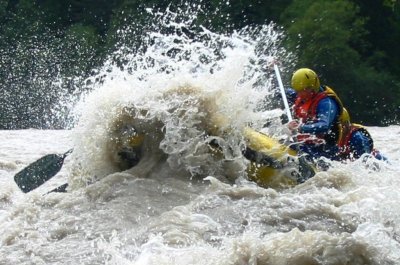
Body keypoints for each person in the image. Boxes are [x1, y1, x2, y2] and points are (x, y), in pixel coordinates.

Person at [286, 68, 385, 162]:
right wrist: (271, 70)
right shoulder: (301, 96)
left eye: (302, 91)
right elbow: (281, 91)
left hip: (328, 150)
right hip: (320, 148)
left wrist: (300, 127)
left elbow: (324, 126)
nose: (299, 94)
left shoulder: (327, 103)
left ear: (312, 87)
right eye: (297, 91)